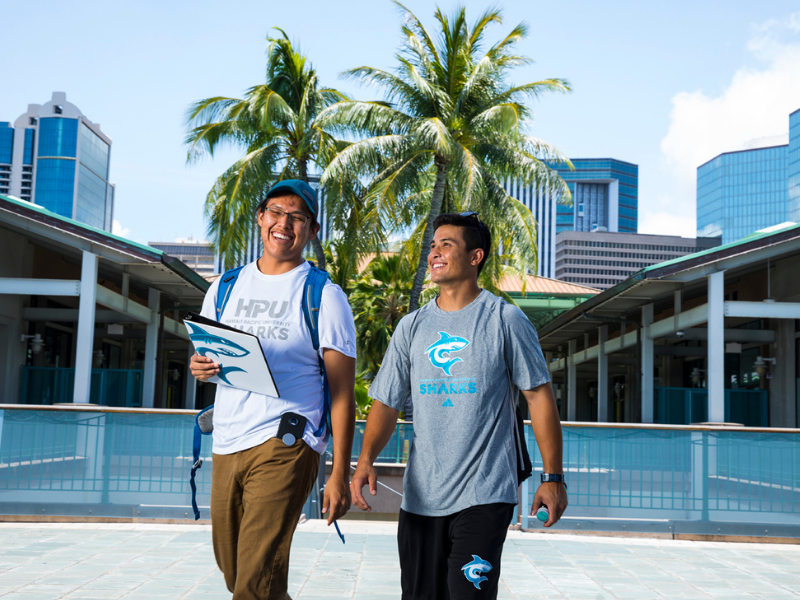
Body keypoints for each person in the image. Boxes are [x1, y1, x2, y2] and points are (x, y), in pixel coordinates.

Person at [351, 212, 568, 600]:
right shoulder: (412, 326)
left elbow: (539, 397)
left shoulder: (505, 319)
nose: (434, 252)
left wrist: (553, 479)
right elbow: (386, 401)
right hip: (421, 498)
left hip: (484, 495)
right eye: (433, 245)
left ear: (475, 257)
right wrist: (365, 458)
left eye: (446, 245)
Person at [190, 180, 356, 600]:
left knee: (254, 579)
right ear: (261, 218)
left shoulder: (324, 295)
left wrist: (338, 471)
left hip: (287, 440)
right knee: (239, 571)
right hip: (228, 438)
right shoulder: (224, 287)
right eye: (276, 212)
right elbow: (208, 360)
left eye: (297, 217)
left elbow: (342, 394)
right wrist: (200, 368)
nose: (285, 223)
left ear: (312, 230)